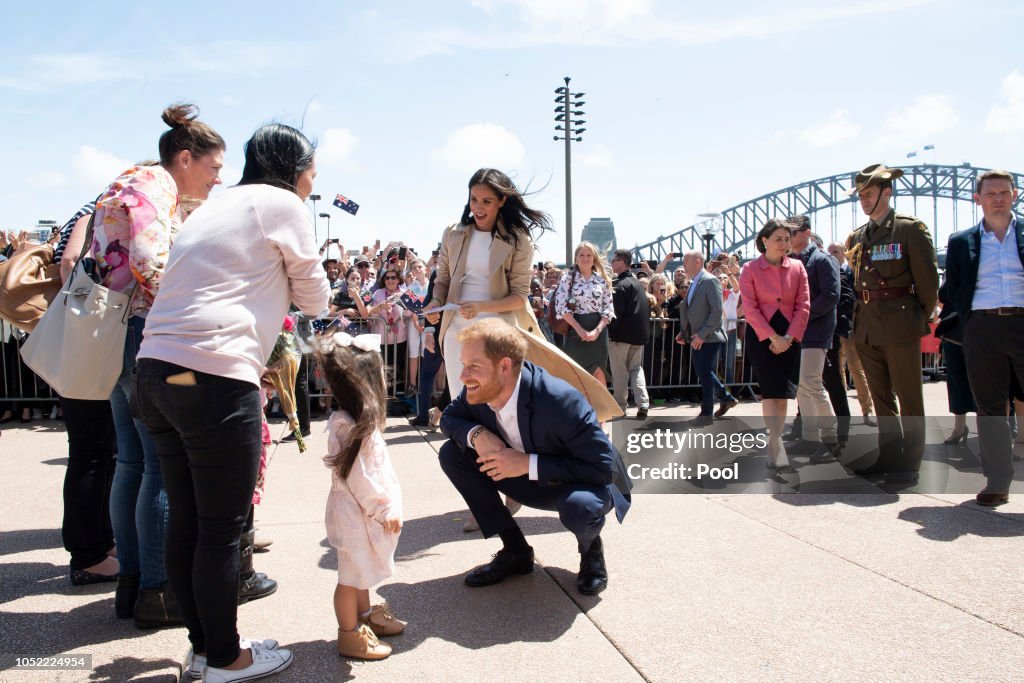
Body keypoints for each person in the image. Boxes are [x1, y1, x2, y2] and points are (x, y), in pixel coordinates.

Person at [136, 123, 330, 682]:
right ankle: (225, 658)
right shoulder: (281, 204)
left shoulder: (216, 205)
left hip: (155, 371)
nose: (310, 188)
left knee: (189, 523)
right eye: (311, 177)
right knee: (222, 528)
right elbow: (314, 294)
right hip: (214, 376)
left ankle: (206, 646)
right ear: (294, 170)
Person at [92, 106, 226, 627]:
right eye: (213, 169)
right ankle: (158, 587)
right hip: (147, 338)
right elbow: (152, 264)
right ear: (186, 158)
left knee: (130, 464)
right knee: (163, 467)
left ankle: (132, 583)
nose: (217, 180)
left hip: (116, 336)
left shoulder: (130, 181)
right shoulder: (155, 186)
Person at [438, 318, 631, 595]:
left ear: (504, 366)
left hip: (581, 481)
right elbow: (449, 418)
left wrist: (527, 463)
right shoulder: (477, 389)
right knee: (452, 454)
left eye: (473, 367)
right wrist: (477, 434)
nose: (463, 376)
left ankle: (591, 551)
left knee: (581, 509)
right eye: (463, 365)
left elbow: (603, 469)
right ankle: (515, 551)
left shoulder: (559, 400)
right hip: (522, 476)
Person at [427, 169, 619, 422]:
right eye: (474, 199)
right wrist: (436, 302)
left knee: (494, 406)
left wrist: (480, 306)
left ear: (502, 201)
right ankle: (470, 452)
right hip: (455, 331)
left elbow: (519, 297)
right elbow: (442, 279)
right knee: (461, 399)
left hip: (497, 331)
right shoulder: (453, 232)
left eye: (486, 201)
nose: (478, 208)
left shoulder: (519, 239)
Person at [844, 164, 938, 486]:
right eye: (860, 196)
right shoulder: (857, 237)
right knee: (881, 396)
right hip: (867, 327)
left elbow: (928, 282)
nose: (864, 200)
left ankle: (909, 463)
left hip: (900, 326)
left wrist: (918, 317)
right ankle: (887, 456)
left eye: (869, 194)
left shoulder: (909, 230)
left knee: (909, 397)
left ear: (887, 191)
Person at [319, 332, 406, 660]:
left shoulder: (357, 422)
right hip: (357, 514)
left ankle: (365, 615)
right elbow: (360, 479)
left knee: (360, 570)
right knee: (349, 576)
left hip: (360, 512)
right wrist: (384, 508)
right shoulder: (349, 426)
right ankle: (349, 634)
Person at [943, 169, 1024, 506]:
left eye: (1004, 192)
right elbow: (952, 288)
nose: (998, 198)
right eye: (990, 194)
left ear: (1015, 195)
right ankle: (998, 481)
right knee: (989, 407)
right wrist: (969, 320)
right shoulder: (961, 242)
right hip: (982, 328)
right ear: (978, 199)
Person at [739, 219, 810, 471]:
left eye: (787, 239)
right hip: (763, 337)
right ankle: (776, 441)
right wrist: (773, 337)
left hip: (791, 335)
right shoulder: (749, 269)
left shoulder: (798, 267)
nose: (784, 244)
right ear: (764, 241)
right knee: (770, 391)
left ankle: (776, 437)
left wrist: (788, 338)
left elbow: (803, 306)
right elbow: (750, 307)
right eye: (779, 239)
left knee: (784, 393)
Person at [786, 216, 840, 458]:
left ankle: (831, 439)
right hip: (798, 331)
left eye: (793, 232)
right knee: (802, 386)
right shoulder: (792, 261)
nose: (789, 237)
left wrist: (802, 315)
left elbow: (831, 295)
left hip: (815, 331)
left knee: (812, 383)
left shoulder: (822, 259)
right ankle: (810, 438)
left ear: (807, 232)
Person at [674, 250, 737, 425]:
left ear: (698, 261)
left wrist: (702, 335)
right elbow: (692, 310)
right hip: (696, 336)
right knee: (704, 372)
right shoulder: (694, 281)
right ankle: (725, 398)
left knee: (704, 372)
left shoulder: (710, 281)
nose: (684, 264)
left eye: (687, 261)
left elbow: (716, 311)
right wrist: (684, 332)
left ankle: (707, 412)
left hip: (709, 337)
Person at [554, 241, 614, 387]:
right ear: (576, 258)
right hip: (575, 329)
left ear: (594, 258)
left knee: (599, 373)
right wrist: (579, 329)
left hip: (598, 332)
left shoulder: (602, 280)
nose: (585, 258)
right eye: (582, 255)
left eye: (589, 255)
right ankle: (578, 409)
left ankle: (602, 410)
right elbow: (561, 307)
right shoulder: (567, 279)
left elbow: (608, 308)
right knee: (575, 375)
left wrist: (597, 330)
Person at [827, 242, 876, 426]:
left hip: (850, 330)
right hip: (832, 330)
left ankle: (867, 410)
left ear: (844, 254)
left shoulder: (852, 273)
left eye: (836, 251)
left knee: (856, 369)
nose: (832, 254)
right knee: (836, 371)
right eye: (829, 251)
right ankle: (841, 412)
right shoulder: (827, 270)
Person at [607, 249, 651, 419]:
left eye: (614, 260)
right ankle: (643, 403)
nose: (611, 263)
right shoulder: (637, 283)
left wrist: (610, 333)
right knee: (636, 369)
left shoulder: (620, 285)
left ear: (622, 262)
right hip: (638, 337)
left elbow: (616, 313)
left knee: (620, 374)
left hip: (620, 337)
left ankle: (620, 407)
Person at [368, 266, 412, 393]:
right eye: (387, 278)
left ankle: (397, 394)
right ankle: (383, 394)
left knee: (398, 366)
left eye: (393, 277)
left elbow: (411, 313)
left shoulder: (405, 292)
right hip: (381, 337)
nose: (390, 280)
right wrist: (381, 306)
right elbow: (371, 313)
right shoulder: (378, 293)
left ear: (398, 279)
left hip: (400, 337)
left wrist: (402, 306)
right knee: (382, 367)